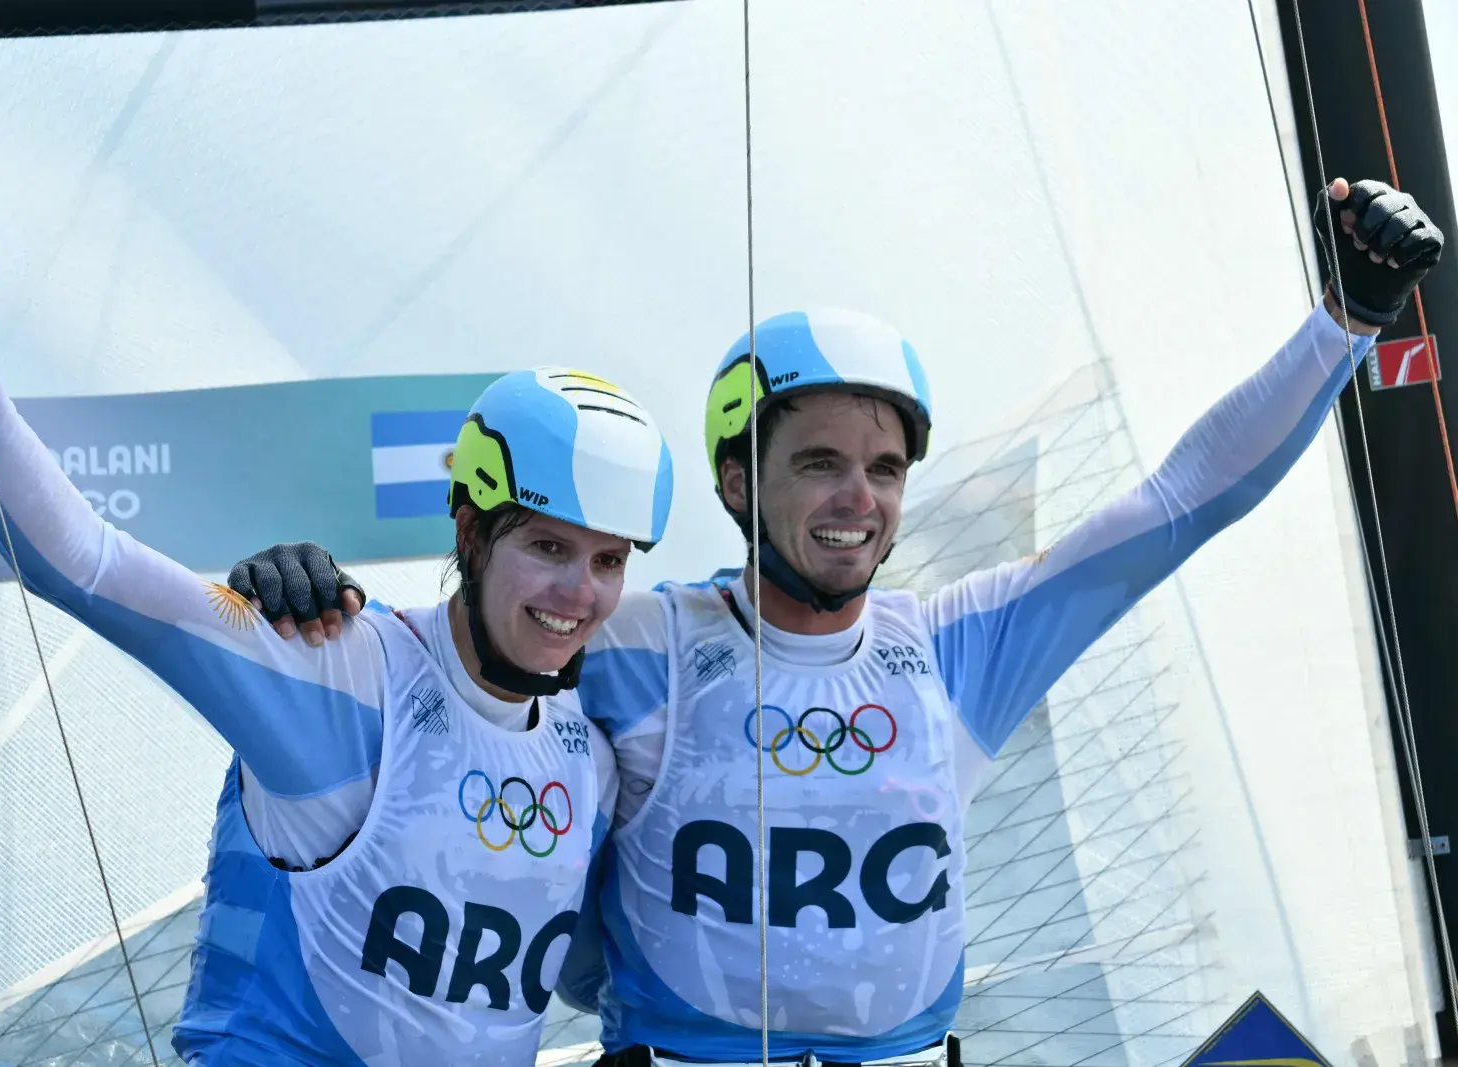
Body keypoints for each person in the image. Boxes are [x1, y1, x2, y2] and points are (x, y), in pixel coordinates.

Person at [228, 177, 1443, 1067]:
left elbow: (1182, 499)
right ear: (739, 481)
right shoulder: (637, 639)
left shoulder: (964, 642)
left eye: (884, 466)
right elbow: (454, 658)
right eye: (817, 462)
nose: (857, 499)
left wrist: (1350, 315)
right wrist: (296, 597)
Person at [0, 176, 677, 1067]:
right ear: (471, 528)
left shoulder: (588, 757)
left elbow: (594, 972)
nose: (580, 593)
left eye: (609, 561)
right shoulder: (337, 671)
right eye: (550, 549)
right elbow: (82, 561)